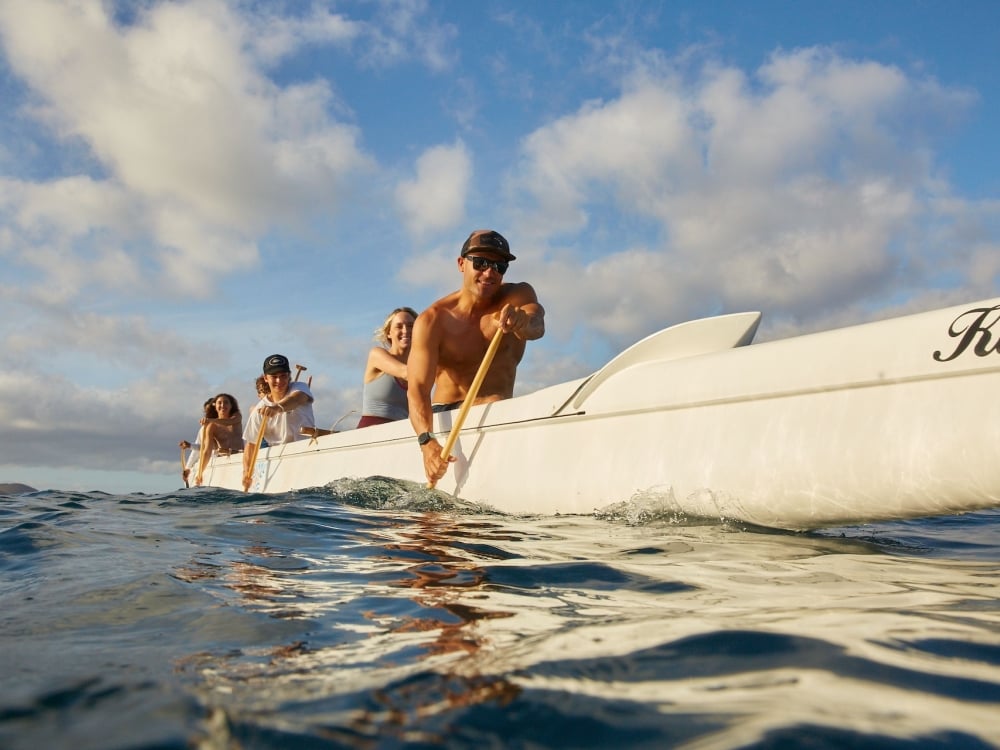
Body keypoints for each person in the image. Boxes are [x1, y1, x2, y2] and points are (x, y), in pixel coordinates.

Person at [407, 229, 544, 485]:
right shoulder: (433, 320)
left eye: (498, 265)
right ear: (461, 264)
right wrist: (427, 442)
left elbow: (537, 324)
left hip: (498, 412)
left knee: (496, 399)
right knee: (494, 400)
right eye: (480, 263)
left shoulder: (517, 296)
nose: (489, 272)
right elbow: (417, 388)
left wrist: (522, 321)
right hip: (446, 417)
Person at [242, 354, 315, 490]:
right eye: (274, 376)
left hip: (307, 451)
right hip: (280, 458)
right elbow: (251, 444)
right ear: (266, 378)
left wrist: (277, 408)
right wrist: (246, 473)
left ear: (289, 375)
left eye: (283, 376)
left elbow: (297, 399)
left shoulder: (300, 387)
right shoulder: (259, 409)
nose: (279, 380)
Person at [358, 306, 418, 428]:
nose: (406, 330)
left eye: (411, 326)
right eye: (399, 326)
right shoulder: (377, 354)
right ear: (389, 333)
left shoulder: (417, 366)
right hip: (370, 434)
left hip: (398, 434)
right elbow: (406, 373)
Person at [194, 393, 243, 486]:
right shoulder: (211, 427)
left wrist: (210, 420)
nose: (223, 405)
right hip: (224, 459)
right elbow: (207, 451)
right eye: (219, 403)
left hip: (240, 457)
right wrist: (200, 473)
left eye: (226, 403)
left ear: (231, 405)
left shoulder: (237, 417)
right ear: (215, 406)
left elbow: (229, 422)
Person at [179, 397, 218, 485]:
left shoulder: (229, 425)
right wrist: (188, 468)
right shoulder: (203, 429)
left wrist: (191, 446)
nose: (209, 414)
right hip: (209, 463)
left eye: (212, 411)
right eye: (207, 412)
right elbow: (200, 449)